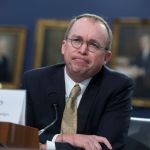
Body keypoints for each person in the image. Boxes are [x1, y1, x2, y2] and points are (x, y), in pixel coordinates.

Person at [21, 13, 134, 150]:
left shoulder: (118, 87)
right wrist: (64, 138)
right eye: (76, 40)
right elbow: (18, 136)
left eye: (93, 45)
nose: (82, 50)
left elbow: (107, 146)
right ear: (64, 46)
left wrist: (44, 146)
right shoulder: (33, 81)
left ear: (106, 57)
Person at [130, 34, 150, 98]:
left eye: (143, 43)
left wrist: (143, 71)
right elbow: (135, 62)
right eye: (141, 43)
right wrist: (134, 67)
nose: (141, 44)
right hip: (140, 81)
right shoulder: (140, 53)